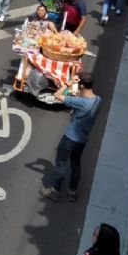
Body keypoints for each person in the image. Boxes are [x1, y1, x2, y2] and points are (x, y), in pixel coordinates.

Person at [40, 73, 102, 203]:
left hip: (70, 138)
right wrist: (79, 91)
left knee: (61, 164)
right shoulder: (97, 100)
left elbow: (57, 95)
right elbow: (82, 98)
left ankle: (54, 191)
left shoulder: (80, 102)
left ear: (83, 85)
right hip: (82, 139)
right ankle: (72, 192)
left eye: (79, 85)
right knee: (76, 163)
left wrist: (67, 84)